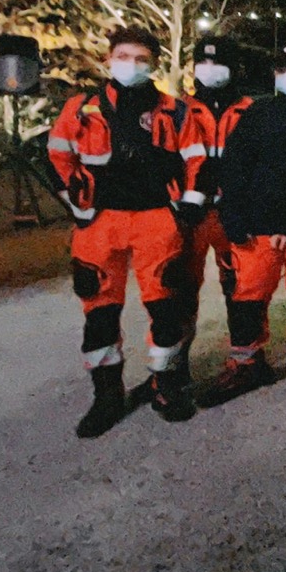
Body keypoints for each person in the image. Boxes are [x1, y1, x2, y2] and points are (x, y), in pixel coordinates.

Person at [48, 26, 207, 436]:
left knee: (166, 309)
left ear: (154, 64)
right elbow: (58, 155)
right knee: (98, 313)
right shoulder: (82, 108)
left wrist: (189, 204)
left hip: (158, 219)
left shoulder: (175, 110)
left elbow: (196, 160)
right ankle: (106, 397)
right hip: (99, 222)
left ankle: (166, 383)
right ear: (108, 60)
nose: (131, 65)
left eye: (140, 58)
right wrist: (74, 201)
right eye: (123, 56)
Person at [197, 45, 286, 408]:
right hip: (256, 229)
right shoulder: (258, 114)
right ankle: (246, 363)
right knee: (247, 300)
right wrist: (233, 217)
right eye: (284, 68)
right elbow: (235, 168)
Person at [179, 35, 254, 360]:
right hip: (189, 215)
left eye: (217, 63)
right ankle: (173, 368)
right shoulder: (178, 109)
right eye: (203, 62)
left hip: (233, 214)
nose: (209, 69)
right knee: (178, 290)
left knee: (240, 288)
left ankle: (246, 358)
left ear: (234, 69)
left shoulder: (250, 111)